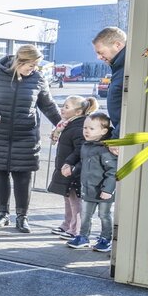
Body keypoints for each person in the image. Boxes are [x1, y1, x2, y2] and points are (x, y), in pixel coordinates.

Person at [0, 44, 61, 233]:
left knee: (23, 176)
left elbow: (48, 106)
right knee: (0, 173)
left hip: (25, 136)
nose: (34, 69)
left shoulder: (38, 79)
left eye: (36, 66)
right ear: (19, 62)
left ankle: (22, 217)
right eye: (31, 65)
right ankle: (3, 214)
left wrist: (61, 124)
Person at [62, 112, 118, 252]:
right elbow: (83, 164)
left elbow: (112, 171)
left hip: (103, 192)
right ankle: (83, 237)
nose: (86, 131)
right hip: (88, 189)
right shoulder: (86, 146)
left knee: (104, 215)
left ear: (104, 131)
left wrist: (108, 190)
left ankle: (106, 239)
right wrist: (72, 170)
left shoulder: (105, 149)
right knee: (85, 214)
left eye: (91, 128)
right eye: (85, 127)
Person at [47, 95, 99, 240]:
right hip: (65, 167)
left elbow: (80, 150)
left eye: (66, 107)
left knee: (75, 200)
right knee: (68, 197)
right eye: (63, 105)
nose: (62, 109)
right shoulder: (67, 124)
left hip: (73, 169)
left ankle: (75, 229)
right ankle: (67, 224)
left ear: (77, 112)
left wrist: (71, 164)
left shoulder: (77, 127)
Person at [93, 26, 127, 134]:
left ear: (117, 45)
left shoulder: (128, 70)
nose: (98, 57)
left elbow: (133, 109)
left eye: (100, 52)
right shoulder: (119, 68)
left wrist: (117, 137)